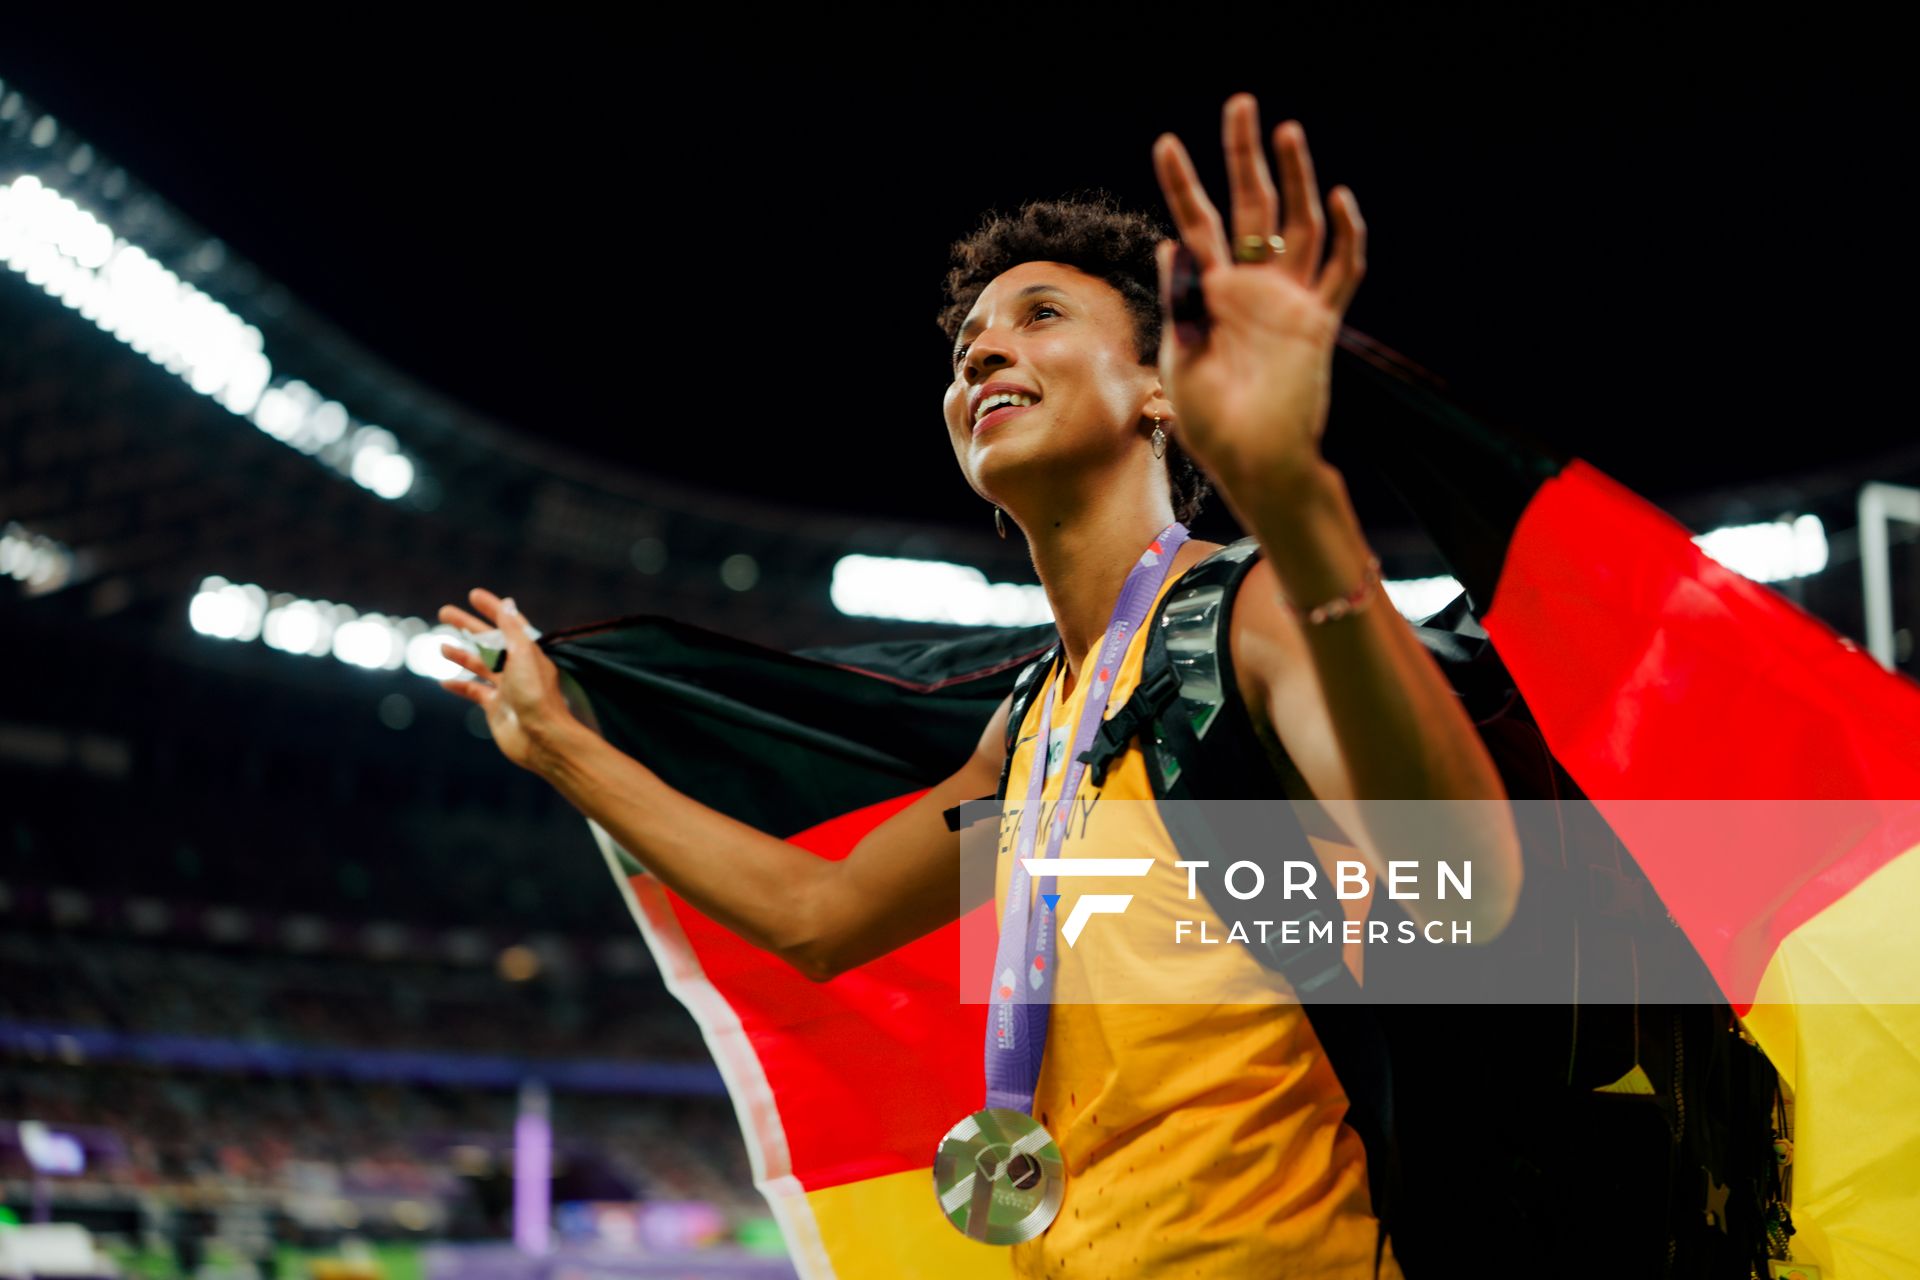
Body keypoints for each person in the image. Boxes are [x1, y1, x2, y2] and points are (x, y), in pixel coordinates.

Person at [434, 93, 1522, 1278]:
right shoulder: (1034, 730)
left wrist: (1299, 501)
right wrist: (557, 748)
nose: (984, 353)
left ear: (1159, 390)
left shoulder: (1242, 619)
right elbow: (821, 918)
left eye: (1040, 315)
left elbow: (1469, 890)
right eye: (967, 349)